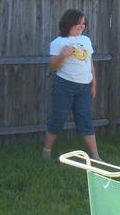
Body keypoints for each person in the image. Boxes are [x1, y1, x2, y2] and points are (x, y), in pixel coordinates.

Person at [42, 9, 101, 161]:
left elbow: (89, 62)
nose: (82, 26)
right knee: (58, 118)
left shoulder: (86, 40)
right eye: (78, 23)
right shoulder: (58, 42)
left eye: (84, 23)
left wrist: (94, 83)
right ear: (69, 23)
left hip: (84, 87)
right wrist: (62, 56)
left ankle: (95, 156)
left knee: (86, 120)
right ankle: (46, 152)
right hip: (64, 86)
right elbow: (53, 66)